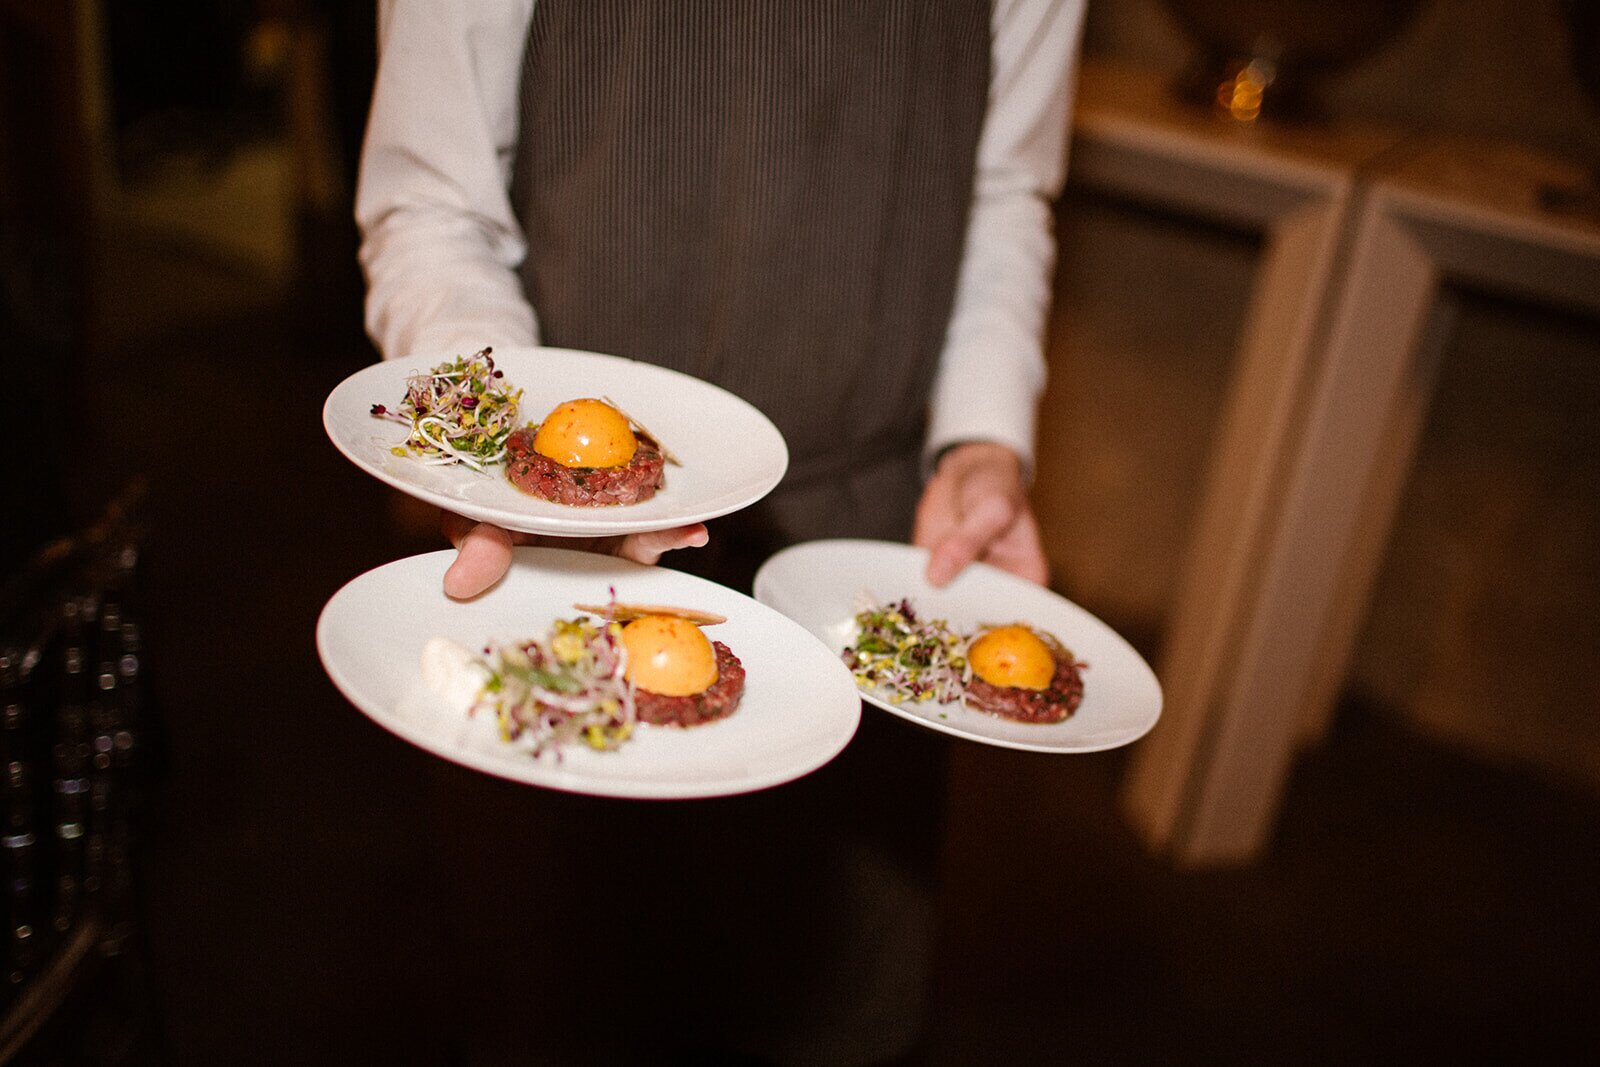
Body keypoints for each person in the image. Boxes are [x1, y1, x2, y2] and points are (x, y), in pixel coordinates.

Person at [355, 1, 1082, 1061]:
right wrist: (520, 457)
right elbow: (432, 202)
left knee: (843, 1005)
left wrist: (983, 432)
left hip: (868, 548)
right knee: (556, 1000)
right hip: (552, 558)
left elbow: (1003, 187)